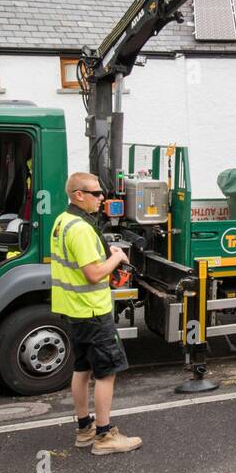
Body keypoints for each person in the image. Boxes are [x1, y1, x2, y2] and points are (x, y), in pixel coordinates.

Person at [50, 172, 142, 455]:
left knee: (82, 369)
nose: (102, 198)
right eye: (96, 193)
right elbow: (93, 274)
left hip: (73, 310)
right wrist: (116, 257)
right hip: (92, 311)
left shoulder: (62, 222)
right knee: (107, 372)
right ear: (79, 195)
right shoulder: (80, 228)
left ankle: (84, 428)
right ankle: (104, 436)